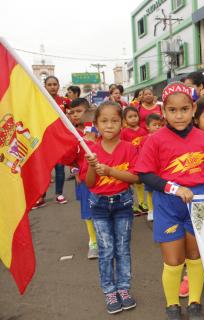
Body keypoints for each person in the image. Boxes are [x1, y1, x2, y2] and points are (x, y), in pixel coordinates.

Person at [135, 82, 204, 320]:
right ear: (163, 111)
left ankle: (195, 303)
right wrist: (174, 188)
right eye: (172, 110)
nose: (179, 115)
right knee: (174, 261)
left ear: (193, 108)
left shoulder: (202, 138)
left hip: (199, 205)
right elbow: (144, 174)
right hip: (168, 206)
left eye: (184, 109)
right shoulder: (155, 140)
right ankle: (172, 306)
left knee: (195, 257)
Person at [83, 102, 139, 314]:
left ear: (122, 124)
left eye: (115, 121)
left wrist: (109, 171)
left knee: (123, 249)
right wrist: (91, 166)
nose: (109, 125)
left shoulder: (129, 148)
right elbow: (89, 184)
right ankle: (109, 290)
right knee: (106, 251)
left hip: (123, 203)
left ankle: (123, 289)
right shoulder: (91, 151)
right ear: (96, 124)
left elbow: (135, 177)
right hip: (99, 205)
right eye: (104, 121)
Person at [63, 98, 99, 259]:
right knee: (88, 209)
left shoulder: (99, 129)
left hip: (104, 177)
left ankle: (107, 235)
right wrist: (75, 171)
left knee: (105, 207)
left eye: (79, 111)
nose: (75, 115)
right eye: (72, 113)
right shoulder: (71, 133)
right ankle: (93, 241)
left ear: (89, 111)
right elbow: (71, 158)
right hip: (84, 179)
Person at [32, 76, 70, 209]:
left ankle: (59, 194)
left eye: (55, 84)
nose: (52, 87)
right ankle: (41, 196)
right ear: (45, 86)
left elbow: (75, 115)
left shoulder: (65, 102)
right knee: (44, 169)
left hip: (59, 141)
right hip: (44, 141)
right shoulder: (39, 101)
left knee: (60, 169)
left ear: (59, 86)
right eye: (49, 84)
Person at [121, 107, 148, 214]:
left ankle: (141, 202)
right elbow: (122, 147)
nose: (133, 119)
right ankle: (131, 204)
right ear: (125, 120)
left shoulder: (143, 130)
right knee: (129, 183)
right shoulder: (124, 132)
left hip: (141, 160)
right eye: (130, 117)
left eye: (135, 116)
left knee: (140, 182)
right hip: (129, 161)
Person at [141, 112, 164, 222]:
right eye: (155, 125)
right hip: (151, 171)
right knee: (150, 192)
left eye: (160, 125)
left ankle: (160, 210)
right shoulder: (145, 139)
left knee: (161, 191)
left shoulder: (164, 138)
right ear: (148, 127)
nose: (158, 127)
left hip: (161, 170)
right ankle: (151, 210)